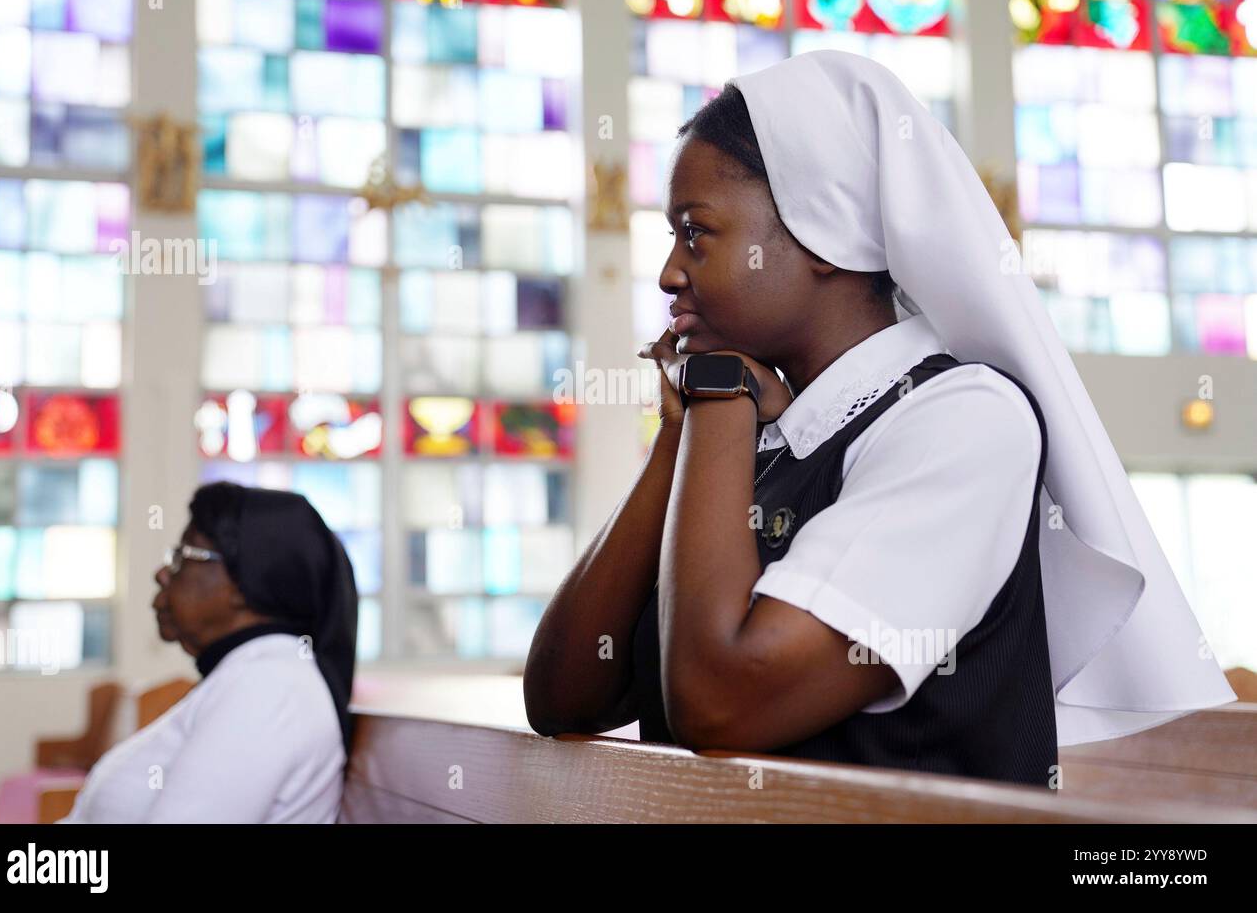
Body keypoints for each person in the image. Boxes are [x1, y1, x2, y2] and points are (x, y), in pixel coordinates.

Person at [523, 49, 1236, 787]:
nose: (671, 271)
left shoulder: (963, 422)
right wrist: (681, 433)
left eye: (695, 232)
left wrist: (719, 403)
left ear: (820, 232)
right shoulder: (761, 434)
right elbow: (565, 697)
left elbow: (722, 700)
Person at [62, 482, 358, 822]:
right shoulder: (248, 674)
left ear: (246, 581)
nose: (162, 573)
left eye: (184, 555)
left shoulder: (270, 688)